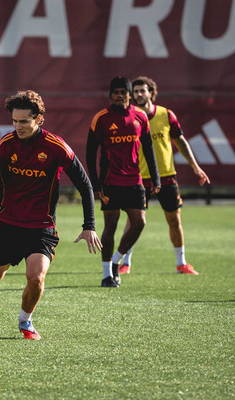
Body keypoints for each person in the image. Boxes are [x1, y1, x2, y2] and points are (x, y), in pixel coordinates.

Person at [0, 90, 102, 340]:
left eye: (24, 121)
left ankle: (25, 321)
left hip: (41, 228)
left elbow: (85, 184)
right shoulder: (6, 145)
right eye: (14, 121)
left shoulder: (55, 147)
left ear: (39, 119)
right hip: (7, 226)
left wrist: (89, 225)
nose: (18, 126)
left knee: (36, 277)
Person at [118, 76, 210, 275]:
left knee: (174, 220)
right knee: (133, 222)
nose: (139, 94)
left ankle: (181, 263)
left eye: (142, 90)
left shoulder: (166, 115)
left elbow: (180, 141)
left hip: (166, 176)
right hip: (138, 178)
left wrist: (195, 166)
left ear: (151, 92)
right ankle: (125, 263)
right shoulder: (129, 117)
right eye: (135, 91)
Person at [86, 76, 160, 288]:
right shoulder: (101, 118)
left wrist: (155, 177)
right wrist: (95, 185)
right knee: (110, 226)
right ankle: (106, 275)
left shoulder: (140, 116)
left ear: (129, 95)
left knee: (140, 223)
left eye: (124, 92)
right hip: (110, 182)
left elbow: (148, 148)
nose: (120, 96)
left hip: (134, 181)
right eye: (116, 92)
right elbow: (90, 154)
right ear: (111, 95)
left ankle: (116, 260)